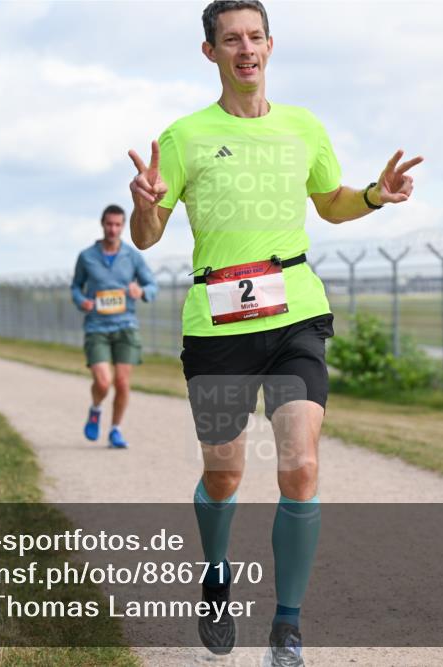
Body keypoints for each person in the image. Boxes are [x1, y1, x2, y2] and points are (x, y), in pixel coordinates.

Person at [127, 2, 421, 663]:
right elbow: (148, 237)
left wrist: (373, 195)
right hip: (218, 326)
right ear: (210, 52)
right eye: (231, 39)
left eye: (255, 36)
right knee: (224, 472)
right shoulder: (184, 137)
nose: (246, 48)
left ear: (269, 45)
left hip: (295, 314)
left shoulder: (303, 126)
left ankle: (287, 625)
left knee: (301, 464)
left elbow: (330, 203)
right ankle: (217, 575)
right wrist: (146, 207)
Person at [71, 204, 158, 449]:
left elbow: (152, 285)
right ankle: (96, 408)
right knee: (103, 382)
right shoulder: (87, 256)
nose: (113, 229)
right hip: (96, 327)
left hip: (126, 326)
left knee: (121, 382)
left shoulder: (132, 256)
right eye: (109, 224)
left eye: (118, 225)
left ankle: (115, 429)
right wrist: (81, 300)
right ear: (102, 224)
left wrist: (141, 291)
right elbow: (76, 286)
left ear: (123, 226)